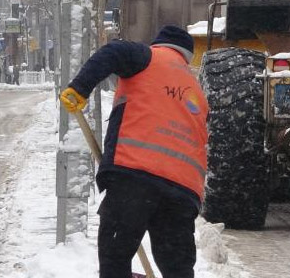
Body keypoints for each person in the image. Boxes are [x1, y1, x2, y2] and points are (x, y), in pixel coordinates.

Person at [59, 26, 209, 278]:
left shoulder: (148, 56)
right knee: (178, 268)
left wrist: (80, 88)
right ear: (187, 57)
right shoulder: (196, 91)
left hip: (135, 179)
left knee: (115, 258)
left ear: (159, 44)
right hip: (182, 194)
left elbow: (113, 51)